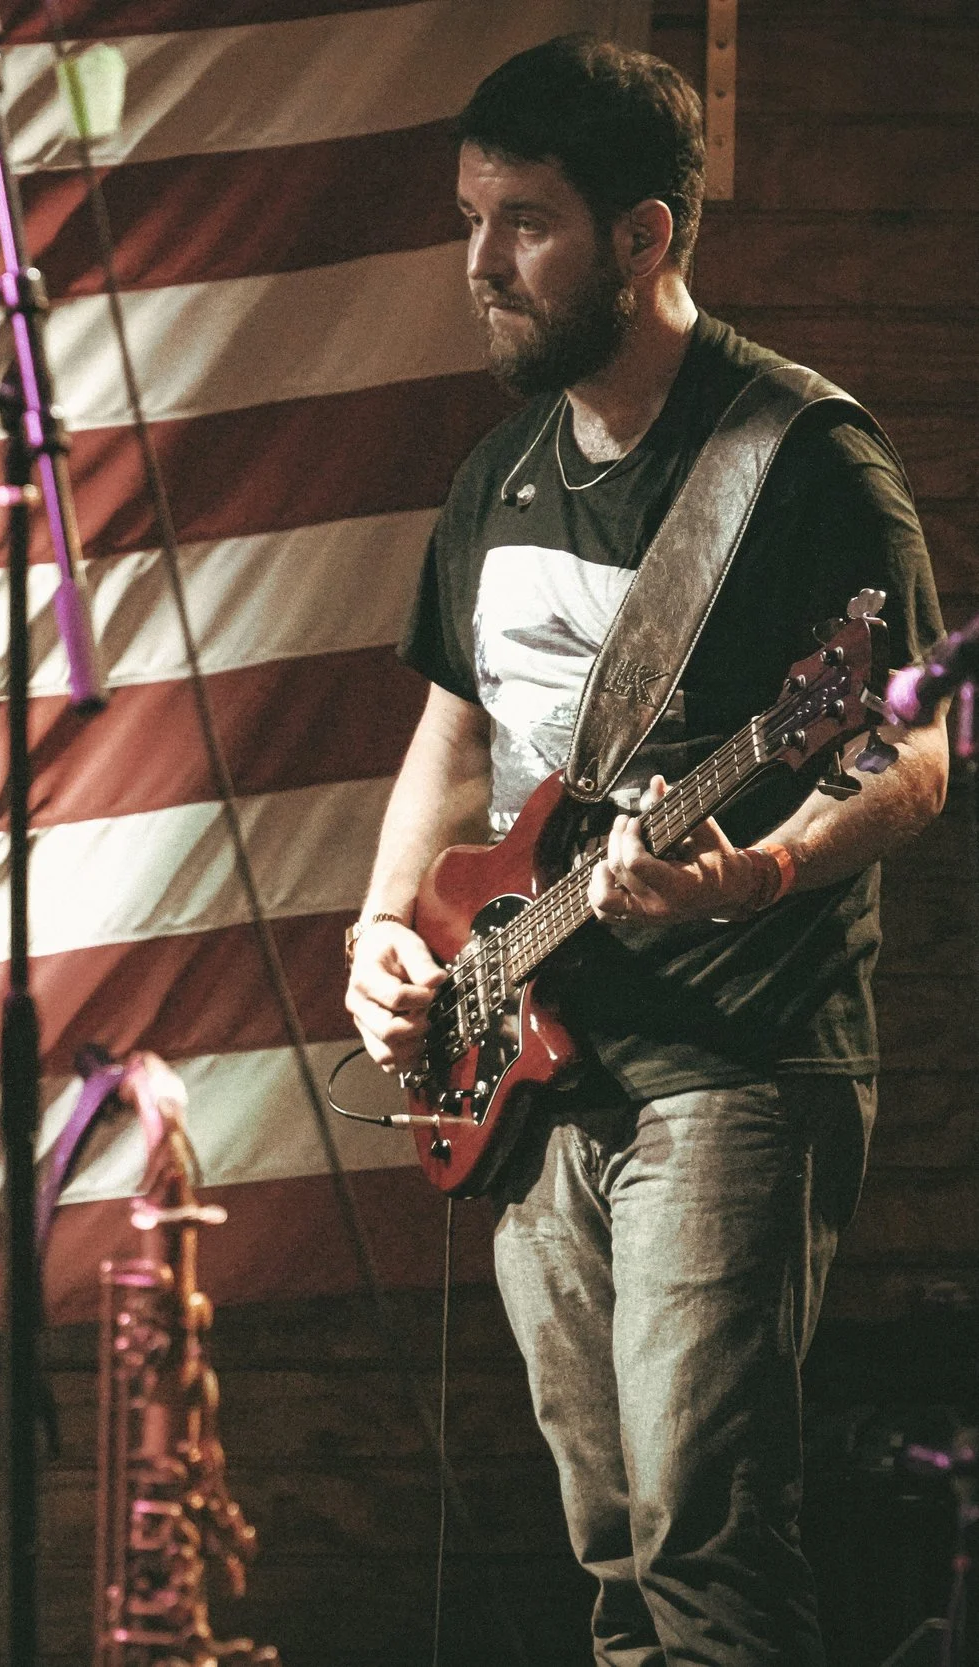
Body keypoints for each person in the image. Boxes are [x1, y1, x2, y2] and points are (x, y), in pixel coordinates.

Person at [343, 35, 945, 1667]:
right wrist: (383, 941)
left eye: (522, 223)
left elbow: (914, 751)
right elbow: (454, 739)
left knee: (705, 1538)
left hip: (737, 1062)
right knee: (612, 1558)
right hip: (533, 1057)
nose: (479, 266)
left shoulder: (802, 458)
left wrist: (752, 872)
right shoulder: (498, 474)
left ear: (646, 236)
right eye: (470, 219)